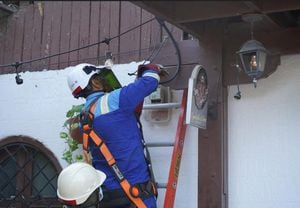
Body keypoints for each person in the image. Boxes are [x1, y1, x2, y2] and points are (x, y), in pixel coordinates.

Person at [66, 63, 165, 207]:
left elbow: (119, 125)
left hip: (109, 196)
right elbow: (151, 80)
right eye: (101, 77)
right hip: (137, 194)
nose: (105, 81)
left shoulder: (84, 117)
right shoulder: (115, 100)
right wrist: (150, 67)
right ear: (95, 82)